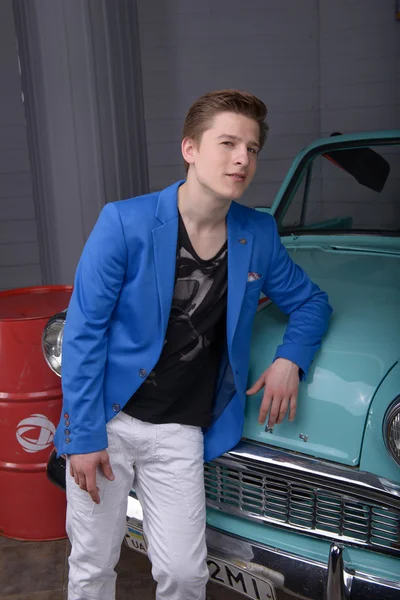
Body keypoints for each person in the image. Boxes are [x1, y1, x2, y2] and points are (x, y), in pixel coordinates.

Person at [54, 89, 332, 600]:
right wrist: (83, 435)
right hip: (108, 420)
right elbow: (83, 331)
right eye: (227, 143)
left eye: (251, 148)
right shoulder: (124, 222)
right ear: (189, 149)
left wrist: (290, 359)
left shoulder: (258, 232)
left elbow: (312, 303)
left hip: (182, 428)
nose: (242, 159)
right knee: (93, 566)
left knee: (185, 575)